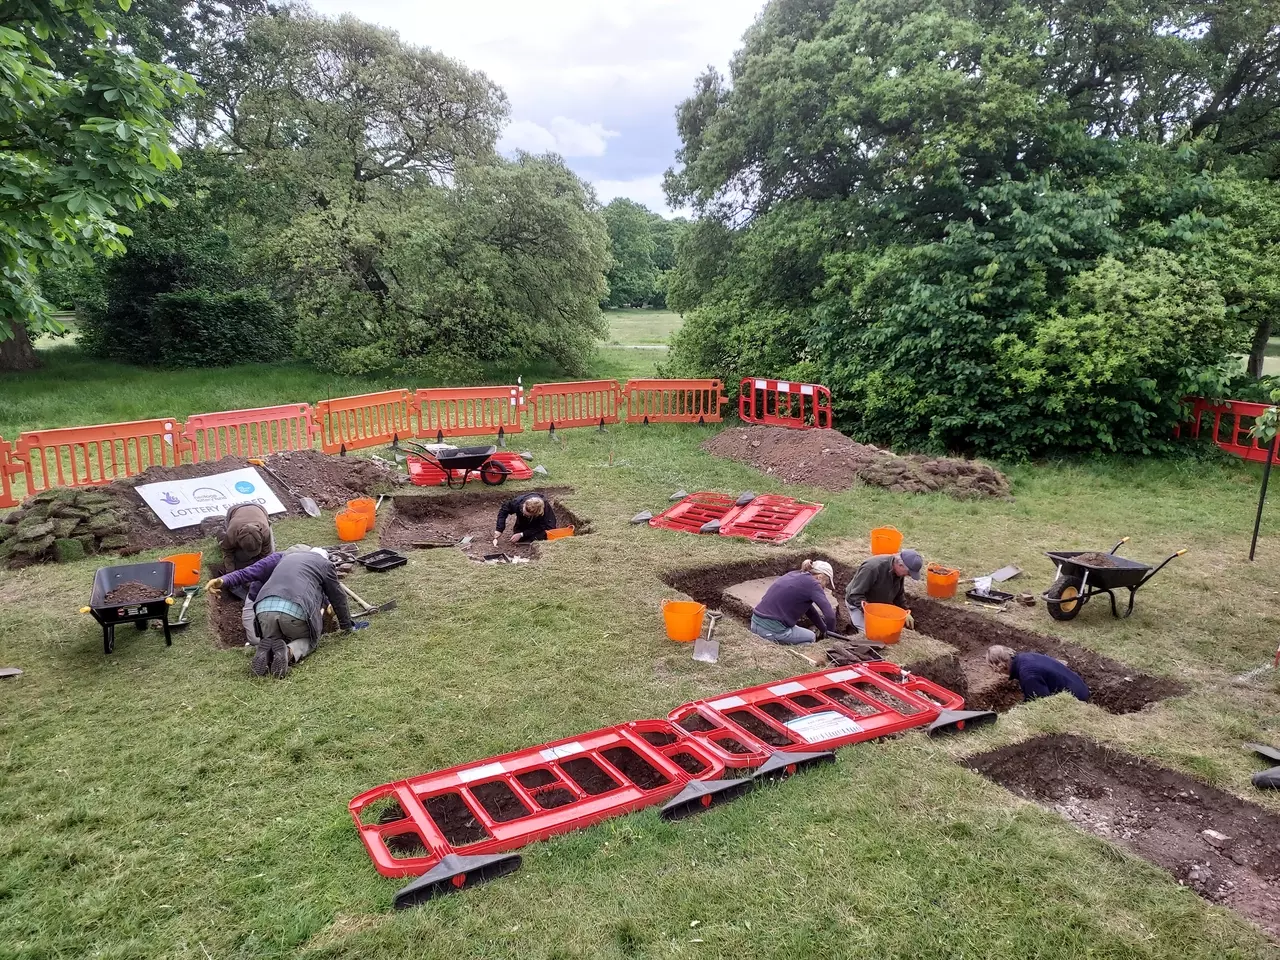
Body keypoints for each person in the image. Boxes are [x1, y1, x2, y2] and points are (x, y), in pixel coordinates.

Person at [207, 548, 367, 678]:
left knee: (275, 637)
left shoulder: (285, 559)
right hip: (294, 609)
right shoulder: (324, 564)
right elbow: (338, 597)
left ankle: (267, 650)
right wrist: (347, 627)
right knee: (309, 638)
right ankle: (289, 652)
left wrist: (224, 580)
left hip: (263, 609)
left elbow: (247, 573)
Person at [219, 503, 275, 645]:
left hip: (260, 510)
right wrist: (231, 576)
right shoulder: (232, 533)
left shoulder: (265, 532)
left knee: (271, 555)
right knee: (239, 559)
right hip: (234, 512)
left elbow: (267, 560)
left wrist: (263, 580)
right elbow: (227, 553)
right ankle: (218, 535)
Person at [749, 559, 838, 645]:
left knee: (803, 634)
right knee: (810, 637)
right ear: (820, 577)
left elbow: (810, 611)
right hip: (771, 630)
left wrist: (824, 630)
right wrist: (830, 638)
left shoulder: (795, 574)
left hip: (755, 622)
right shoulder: (813, 584)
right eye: (826, 583)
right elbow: (830, 616)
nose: (824, 587)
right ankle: (781, 646)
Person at [844, 549, 924, 632]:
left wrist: (905, 611)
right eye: (908, 573)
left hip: (879, 606)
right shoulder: (872, 568)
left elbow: (899, 595)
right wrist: (870, 613)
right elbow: (855, 595)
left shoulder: (898, 572)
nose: (908, 575)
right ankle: (854, 628)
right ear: (900, 565)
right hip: (858, 604)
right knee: (871, 633)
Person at [986, 645, 1090, 702]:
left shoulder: (1028, 675)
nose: (998, 673)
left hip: (1077, 698)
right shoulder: (1025, 657)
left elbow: (1042, 703)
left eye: (995, 670)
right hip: (1078, 685)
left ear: (1001, 666)